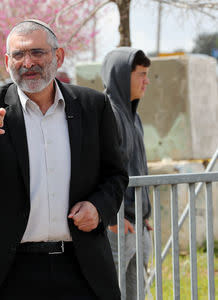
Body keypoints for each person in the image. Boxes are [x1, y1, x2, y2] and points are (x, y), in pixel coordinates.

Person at [0, 19, 128, 300]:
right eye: (18, 55)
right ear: (7, 61)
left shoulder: (94, 106)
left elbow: (115, 174)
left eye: (37, 52)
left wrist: (99, 208)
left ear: (58, 56)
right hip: (3, 269)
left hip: (79, 266)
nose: (27, 62)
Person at [100, 47, 152, 300]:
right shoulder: (106, 115)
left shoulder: (134, 116)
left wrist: (145, 211)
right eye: (141, 74)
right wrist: (111, 217)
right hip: (117, 226)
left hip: (135, 223)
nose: (147, 80)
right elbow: (102, 170)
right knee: (112, 290)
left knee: (135, 292)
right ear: (121, 76)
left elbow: (138, 166)